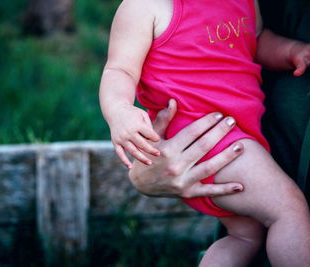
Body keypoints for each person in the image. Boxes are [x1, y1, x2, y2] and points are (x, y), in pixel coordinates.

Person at [99, 0, 310, 266]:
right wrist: (119, 110)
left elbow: (256, 42)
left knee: (245, 237)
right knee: (289, 210)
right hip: (205, 140)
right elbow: (120, 69)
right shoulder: (147, 7)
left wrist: (291, 51)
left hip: (234, 136)